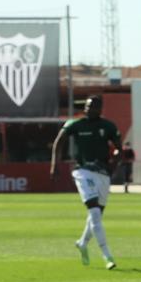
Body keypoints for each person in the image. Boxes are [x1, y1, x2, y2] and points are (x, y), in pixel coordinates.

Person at [51, 94, 121, 270]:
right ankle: (107, 256)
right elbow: (59, 141)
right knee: (95, 212)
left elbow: (119, 148)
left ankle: (82, 243)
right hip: (82, 172)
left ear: (100, 109)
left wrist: (116, 161)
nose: (90, 109)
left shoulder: (108, 126)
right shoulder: (76, 124)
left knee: (96, 215)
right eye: (88, 106)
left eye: (94, 107)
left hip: (102, 173)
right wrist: (55, 165)